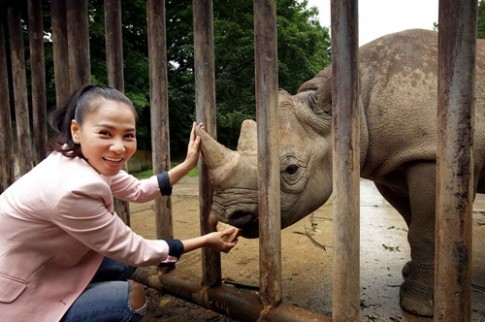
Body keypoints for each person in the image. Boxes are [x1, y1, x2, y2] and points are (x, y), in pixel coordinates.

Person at [0, 84, 238, 322]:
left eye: (128, 135)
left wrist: (187, 165)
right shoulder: (74, 188)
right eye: (105, 133)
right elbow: (137, 250)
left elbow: (138, 190)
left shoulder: (80, 158)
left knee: (119, 265)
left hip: (35, 264)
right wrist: (207, 240)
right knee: (131, 296)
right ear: (76, 130)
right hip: (14, 296)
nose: (118, 147)